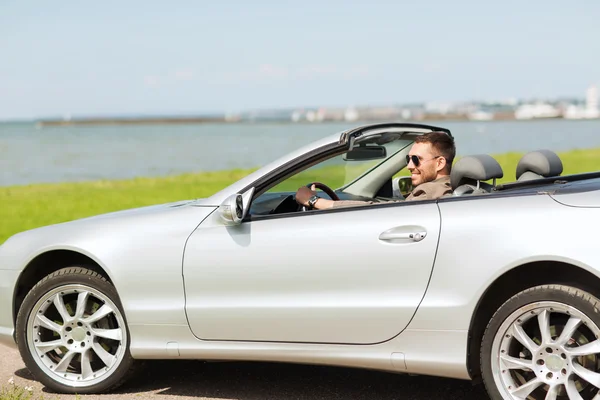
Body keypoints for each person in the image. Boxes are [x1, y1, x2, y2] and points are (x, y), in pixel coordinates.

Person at [295, 131, 456, 209]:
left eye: (416, 160)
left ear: (440, 163)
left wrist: (315, 201)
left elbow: (373, 210)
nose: (409, 166)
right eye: (408, 159)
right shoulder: (451, 188)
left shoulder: (428, 193)